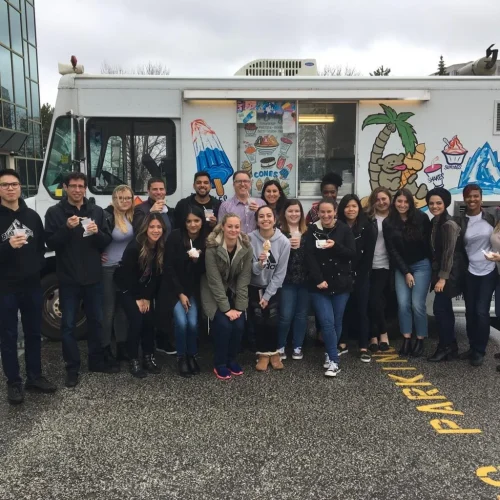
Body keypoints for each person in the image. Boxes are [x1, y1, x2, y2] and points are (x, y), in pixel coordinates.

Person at [45, 172, 116, 388]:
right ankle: (72, 368)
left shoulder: (95, 211)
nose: (78, 190)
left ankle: (95, 362)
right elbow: (51, 243)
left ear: (85, 188)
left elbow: (106, 241)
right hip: (68, 279)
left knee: (96, 321)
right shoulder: (55, 213)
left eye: (81, 186)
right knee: (68, 326)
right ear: (65, 187)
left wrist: (96, 233)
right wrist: (66, 228)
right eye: (73, 186)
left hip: (93, 277)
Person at [0, 169, 56, 404]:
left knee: (34, 333)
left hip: (32, 284)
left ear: (21, 187)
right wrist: (7, 245)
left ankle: (34, 376)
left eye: (14, 184)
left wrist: (36, 264)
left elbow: (41, 246)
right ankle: (14, 382)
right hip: (5, 286)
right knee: (9, 335)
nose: (10, 188)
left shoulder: (32, 216)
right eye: (4, 185)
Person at [305, 197, 356, 377]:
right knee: (327, 322)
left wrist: (336, 247)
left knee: (336, 322)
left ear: (335, 212)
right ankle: (334, 361)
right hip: (319, 285)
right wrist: (318, 279)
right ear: (317, 213)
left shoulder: (343, 229)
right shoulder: (312, 230)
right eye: (322, 212)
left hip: (341, 284)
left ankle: (329, 351)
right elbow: (308, 257)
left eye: (329, 211)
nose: (326, 215)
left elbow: (351, 254)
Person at [201, 213, 253, 380]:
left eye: (236, 226)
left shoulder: (246, 247)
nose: (233, 230)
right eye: (229, 226)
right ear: (222, 227)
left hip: (234, 291)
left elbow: (244, 278)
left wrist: (239, 307)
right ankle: (220, 363)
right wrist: (226, 309)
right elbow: (214, 281)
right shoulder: (212, 247)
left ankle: (232, 359)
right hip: (213, 291)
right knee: (224, 324)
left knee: (239, 324)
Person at [114, 214, 166, 378]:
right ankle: (133, 358)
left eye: (159, 227)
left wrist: (147, 297)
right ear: (145, 228)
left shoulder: (159, 247)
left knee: (149, 320)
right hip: (126, 289)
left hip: (144, 291)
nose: (156, 230)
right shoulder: (135, 247)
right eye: (152, 227)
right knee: (136, 320)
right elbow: (126, 277)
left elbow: (156, 277)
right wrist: (138, 298)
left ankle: (148, 356)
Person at [383, 188, 432, 357]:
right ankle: (406, 339)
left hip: (421, 265)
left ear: (410, 203)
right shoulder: (388, 222)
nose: (402, 205)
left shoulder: (421, 218)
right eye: (399, 201)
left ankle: (420, 339)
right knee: (403, 304)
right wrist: (406, 272)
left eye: (406, 202)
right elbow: (392, 251)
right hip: (401, 268)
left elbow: (428, 245)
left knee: (417, 304)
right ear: (394, 202)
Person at [133, 177, 176, 355]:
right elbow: (136, 231)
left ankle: (163, 339)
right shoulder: (140, 209)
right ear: (148, 191)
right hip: (148, 262)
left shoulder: (169, 210)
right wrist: (150, 212)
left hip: (165, 261)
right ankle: (148, 343)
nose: (158, 192)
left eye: (161, 189)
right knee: (148, 303)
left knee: (165, 303)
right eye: (155, 189)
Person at [164, 206, 208, 377]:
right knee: (182, 323)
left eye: (196, 220)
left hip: (194, 290)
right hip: (175, 290)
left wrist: (197, 262)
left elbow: (204, 271)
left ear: (202, 221)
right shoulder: (175, 237)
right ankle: (181, 357)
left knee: (193, 323)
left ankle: (192, 355)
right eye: (189, 221)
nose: (192, 224)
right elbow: (168, 267)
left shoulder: (205, 240)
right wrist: (180, 294)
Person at [456, 184, 497, 367]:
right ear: (464, 199)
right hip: (469, 271)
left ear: (481, 197)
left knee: (482, 311)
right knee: (470, 311)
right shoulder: (460, 221)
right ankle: (472, 347)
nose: (472, 200)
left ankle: (480, 350)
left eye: (475, 196)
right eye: (468, 197)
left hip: (488, 270)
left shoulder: (491, 217)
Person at [249, 206, 291, 371]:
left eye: (269, 216)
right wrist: (259, 264)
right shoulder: (249, 239)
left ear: (275, 219)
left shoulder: (283, 242)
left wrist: (267, 296)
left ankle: (274, 352)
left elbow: (280, 273)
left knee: (273, 320)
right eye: (261, 216)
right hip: (254, 285)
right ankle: (262, 354)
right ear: (257, 220)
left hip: (273, 286)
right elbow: (249, 270)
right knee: (258, 319)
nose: (265, 219)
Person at [426, 188, 465, 362]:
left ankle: (445, 346)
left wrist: (442, 278)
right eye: (432, 203)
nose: (434, 206)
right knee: (445, 311)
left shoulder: (449, 224)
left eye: (438, 203)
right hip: (441, 273)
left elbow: (449, 254)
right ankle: (451, 346)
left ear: (446, 203)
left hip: (448, 275)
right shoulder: (436, 222)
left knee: (440, 310)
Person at [337, 194, 376, 362]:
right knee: (342, 310)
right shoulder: (337, 226)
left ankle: (363, 346)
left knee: (362, 311)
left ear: (359, 208)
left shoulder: (367, 227)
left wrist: (358, 275)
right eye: (347, 206)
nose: (350, 209)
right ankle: (342, 342)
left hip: (361, 275)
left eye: (354, 206)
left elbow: (368, 256)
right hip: (341, 275)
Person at [101, 185, 135, 364]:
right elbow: (96, 237)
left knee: (122, 311)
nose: (124, 201)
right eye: (120, 198)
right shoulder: (106, 215)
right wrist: (96, 253)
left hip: (125, 269)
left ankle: (121, 348)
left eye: (127, 198)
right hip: (108, 268)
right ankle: (105, 349)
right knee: (108, 310)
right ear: (114, 199)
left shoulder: (130, 216)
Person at [277, 200, 309, 361]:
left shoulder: (308, 231)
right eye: (290, 211)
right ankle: (280, 345)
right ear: (284, 213)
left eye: (297, 211)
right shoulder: (279, 232)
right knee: (285, 315)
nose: (294, 214)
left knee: (302, 315)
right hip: (286, 280)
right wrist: (285, 246)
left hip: (305, 280)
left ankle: (297, 346)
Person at [366, 187, 393, 352]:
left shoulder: (396, 218)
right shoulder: (368, 218)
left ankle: (381, 333)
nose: (381, 202)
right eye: (378, 199)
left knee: (376, 300)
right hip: (368, 265)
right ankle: (375, 335)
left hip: (386, 265)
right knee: (370, 301)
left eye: (384, 199)